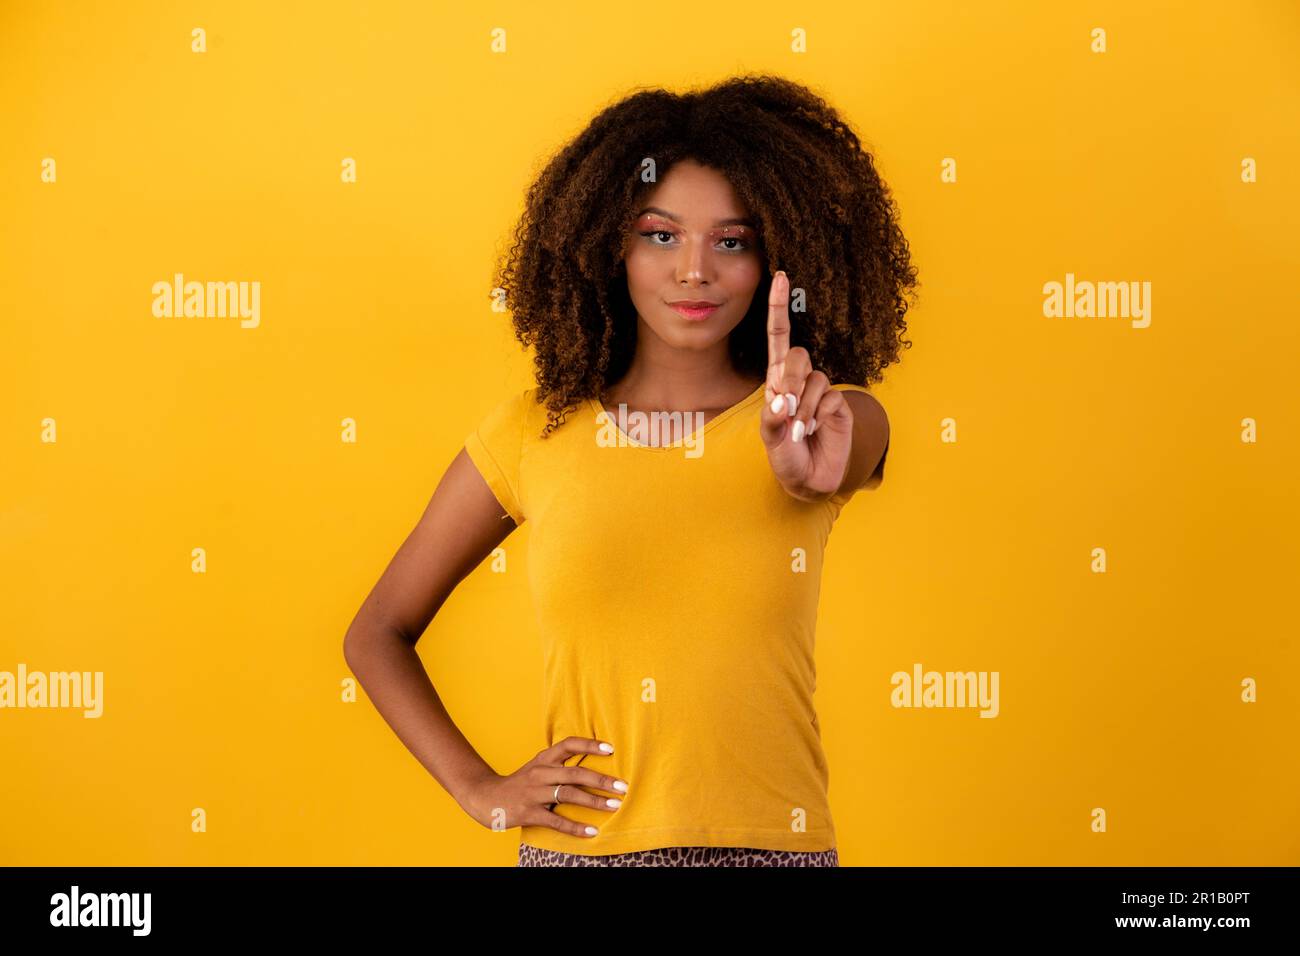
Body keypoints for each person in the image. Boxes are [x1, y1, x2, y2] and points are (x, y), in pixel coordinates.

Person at [343, 73, 917, 867]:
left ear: (776, 258)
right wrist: (481, 790)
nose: (694, 271)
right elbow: (376, 632)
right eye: (660, 234)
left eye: (732, 240)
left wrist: (805, 469)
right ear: (607, 244)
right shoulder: (534, 433)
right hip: (582, 854)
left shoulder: (823, 416)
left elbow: (841, 456)